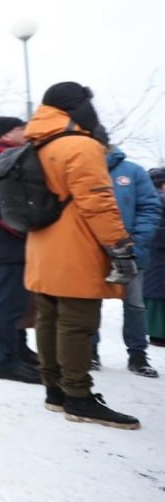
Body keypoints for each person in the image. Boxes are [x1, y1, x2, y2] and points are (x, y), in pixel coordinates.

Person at [24, 82, 139, 429]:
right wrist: (120, 247)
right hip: (75, 248)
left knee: (48, 319)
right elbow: (99, 202)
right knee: (77, 324)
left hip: (42, 247)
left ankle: (55, 390)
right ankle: (79, 397)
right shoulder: (80, 145)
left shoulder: (36, 143)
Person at [0, 116, 41, 384]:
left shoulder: (9, 157)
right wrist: (26, 230)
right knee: (7, 303)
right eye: (20, 128)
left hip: (13, 243)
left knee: (19, 302)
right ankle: (4, 360)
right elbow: (0, 204)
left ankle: (18, 349)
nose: (26, 132)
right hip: (6, 243)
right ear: (5, 135)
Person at [94, 143, 161, 377]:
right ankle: (90, 352)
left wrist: (136, 240)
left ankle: (137, 355)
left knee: (135, 305)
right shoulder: (84, 169)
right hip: (92, 252)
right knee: (90, 303)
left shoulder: (133, 171)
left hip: (131, 252)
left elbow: (150, 207)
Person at [146, 167, 165, 347]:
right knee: (158, 298)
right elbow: (155, 231)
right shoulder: (158, 200)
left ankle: (157, 334)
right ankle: (158, 335)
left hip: (154, 258)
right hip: (158, 258)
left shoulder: (150, 198)